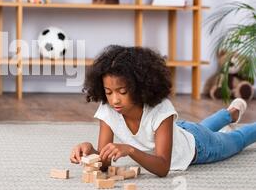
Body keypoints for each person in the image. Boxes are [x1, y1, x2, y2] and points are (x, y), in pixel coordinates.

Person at [70, 45, 255, 177]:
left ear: (140, 87)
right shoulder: (108, 108)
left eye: (122, 92)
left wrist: (130, 150)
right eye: (108, 92)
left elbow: (163, 167)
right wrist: (90, 151)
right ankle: (230, 113)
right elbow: (105, 162)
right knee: (202, 128)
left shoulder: (160, 109)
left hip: (199, 146)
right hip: (179, 132)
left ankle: (232, 114)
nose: (114, 99)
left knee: (237, 140)